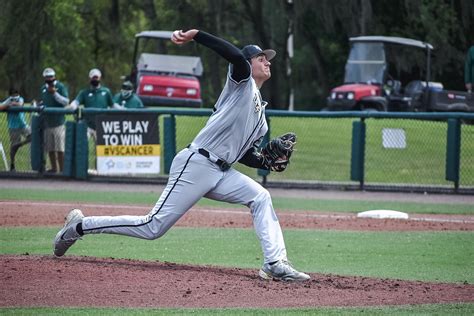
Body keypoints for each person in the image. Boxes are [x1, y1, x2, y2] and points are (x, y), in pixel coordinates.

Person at [53, 29, 310, 282]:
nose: (267, 61)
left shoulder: (261, 117)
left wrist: (263, 160)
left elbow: (243, 154)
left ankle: (275, 263)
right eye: (260, 58)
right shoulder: (241, 84)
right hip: (197, 163)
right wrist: (197, 34)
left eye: (268, 59)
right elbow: (234, 56)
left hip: (221, 171)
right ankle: (78, 226)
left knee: (261, 196)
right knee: (152, 227)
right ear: (249, 63)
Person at [69, 68, 117, 141]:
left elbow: (113, 105)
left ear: (100, 78)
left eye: (96, 77)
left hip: (102, 126)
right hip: (87, 125)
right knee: (82, 145)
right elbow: (76, 102)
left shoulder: (106, 92)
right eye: (93, 78)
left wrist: (123, 111)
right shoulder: (84, 92)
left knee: (99, 150)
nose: (95, 80)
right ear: (90, 78)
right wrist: (73, 105)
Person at [40, 67, 69, 173]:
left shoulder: (60, 86)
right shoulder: (43, 88)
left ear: (55, 76)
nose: (49, 78)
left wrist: (54, 93)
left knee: (60, 149)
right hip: (47, 122)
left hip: (59, 122)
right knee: (50, 148)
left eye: (51, 76)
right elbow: (44, 101)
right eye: (47, 77)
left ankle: (62, 170)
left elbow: (66, 102)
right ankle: (54, 168)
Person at [0, 88, 32, 171]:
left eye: (16, 95)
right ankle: (12, 164)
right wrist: (8, 105)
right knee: (13, 147)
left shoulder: (20, 99)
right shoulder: (8, 100)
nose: (15, 97)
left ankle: (19, 144)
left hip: (23, 124)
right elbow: (1, 106)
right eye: (13, 95)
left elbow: (20, 104)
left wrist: (12, 104)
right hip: (13, 127)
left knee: (32, 136)